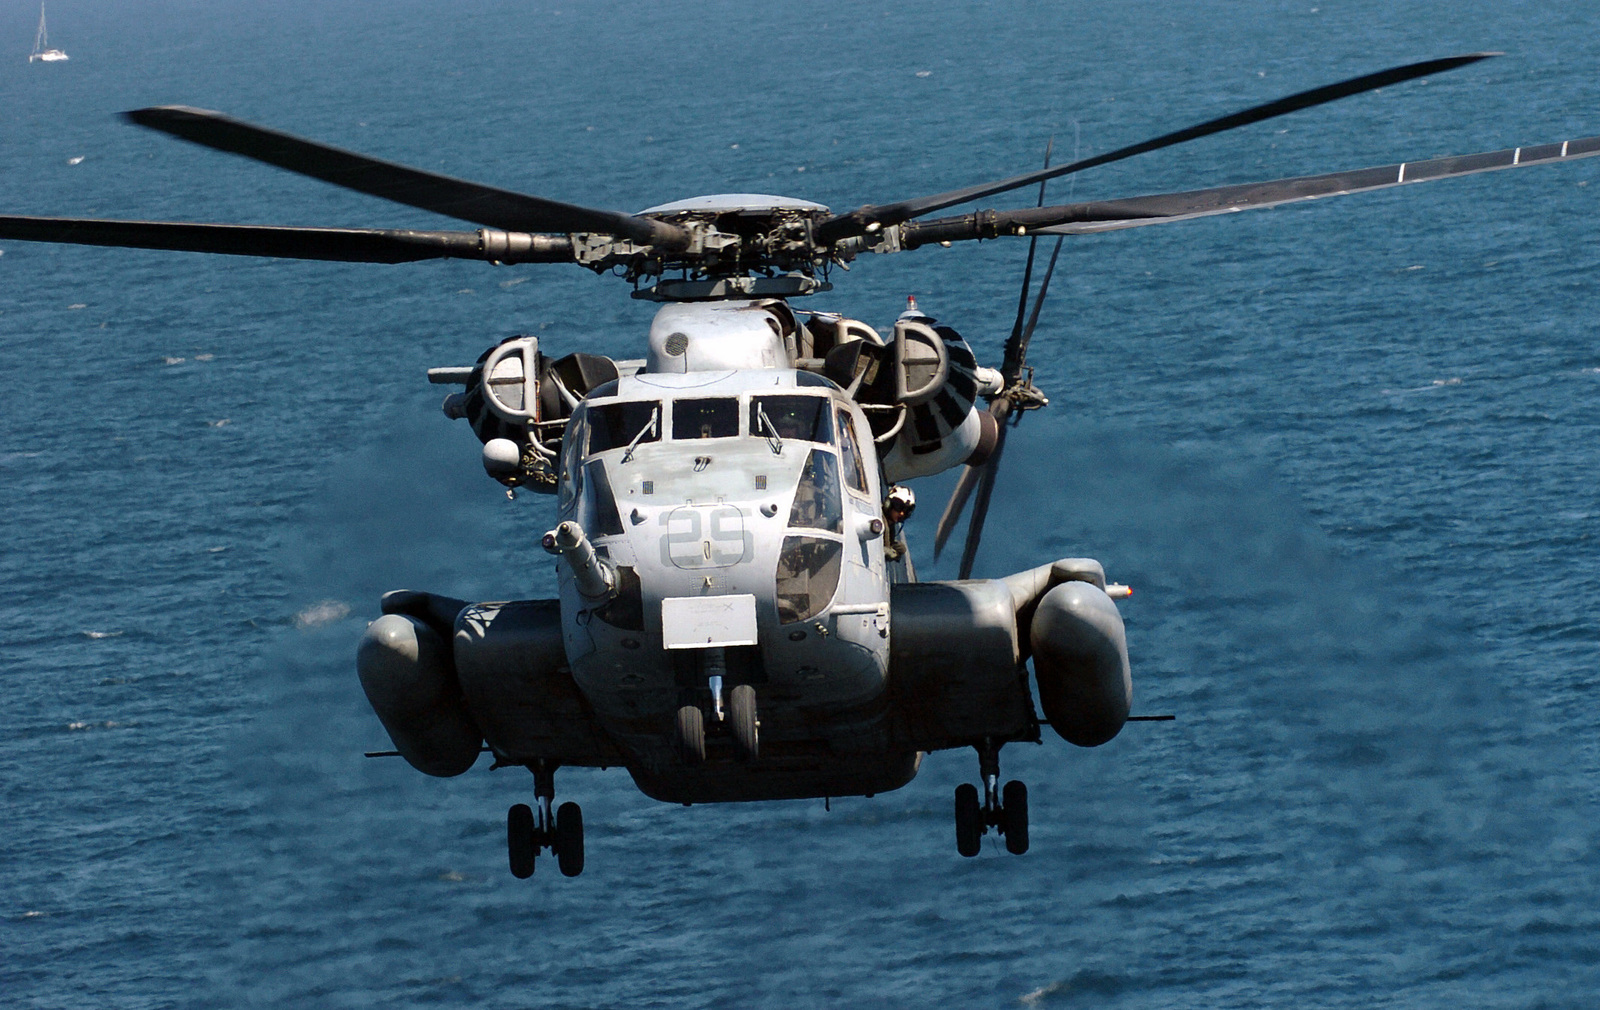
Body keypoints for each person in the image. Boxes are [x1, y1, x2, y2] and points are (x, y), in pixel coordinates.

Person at [882, 485, 915, 560]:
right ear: (889, 504)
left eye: (906, 510)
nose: (902, 513)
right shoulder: (878, 520)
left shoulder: (891, 529)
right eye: (899, 507)